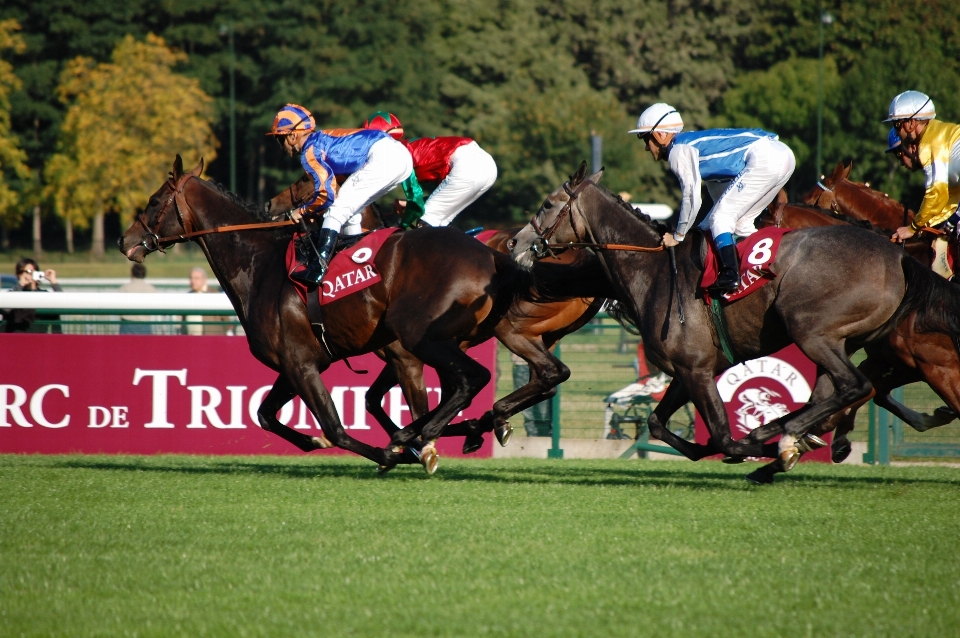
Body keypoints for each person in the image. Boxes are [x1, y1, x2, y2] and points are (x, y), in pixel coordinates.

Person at [630, 103, 796, 293]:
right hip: (783, 155)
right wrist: (700, 228)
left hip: (766, 158)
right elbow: (720, 200)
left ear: (660, 135)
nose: (646, 148)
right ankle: (759, 271)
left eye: (644, 139)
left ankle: (729, 275)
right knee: (741, 224)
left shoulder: (678, 150)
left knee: (721, 219)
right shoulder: (704, 157)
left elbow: (692, 197)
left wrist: (678, 236)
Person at [266, 103, 413, 285]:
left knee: (336, 210)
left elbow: (325, 193)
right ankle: (355, 260)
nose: (281, 146)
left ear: (293, 136)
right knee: (349, 211)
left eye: (281, 139)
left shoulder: (310, 151)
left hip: (384, 156)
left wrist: (302, 211)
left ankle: (318, 268)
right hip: (401, 157)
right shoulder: (322, 139)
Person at [361, 112, 498, 229]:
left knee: (426, 221)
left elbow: (415, 197)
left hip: (467, 166)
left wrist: (401, 227)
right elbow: (435, 196)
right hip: (486, 164)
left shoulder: (397, 154)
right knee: (440, 222)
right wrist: (410, 205)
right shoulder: (409, 145)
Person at [886, 91, 960, 244]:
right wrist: (926, 224)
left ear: (911, 123)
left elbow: (936, 192)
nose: (897, 133)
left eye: (896, 124)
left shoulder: (929, 143)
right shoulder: (941, 132)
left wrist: (912, 228)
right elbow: (950, 196)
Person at [1, 258, 63, 333]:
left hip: (38, 339)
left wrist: (53, 282)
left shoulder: (44, 295)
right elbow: (5, 309)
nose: (27, 275)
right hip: (15, 339)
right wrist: (20, 285)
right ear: (18, 275)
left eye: (30, 272)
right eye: (24, 272)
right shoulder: (13, 294)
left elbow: (62, 304)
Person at [183, 267, 233, 336]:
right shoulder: (187, 296)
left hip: (213, 339)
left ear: (204, 279)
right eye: (191, 278)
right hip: (192, 339)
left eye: (196, 278)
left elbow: (226, 320)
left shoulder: (215, 295)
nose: (193, 281)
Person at [118, 263, 157, 335]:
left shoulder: (125, 288)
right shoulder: (151, 289)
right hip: (145, 324)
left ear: (132, 273)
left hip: (127, 324)